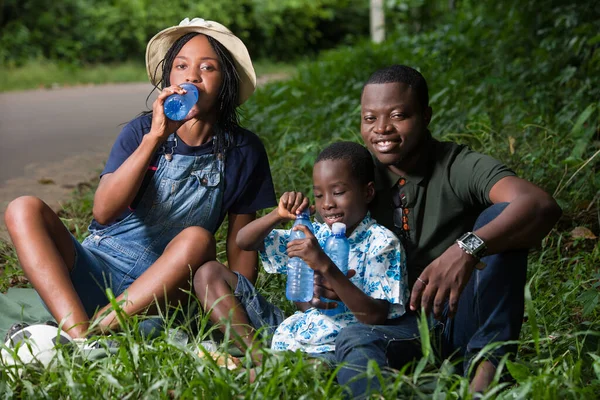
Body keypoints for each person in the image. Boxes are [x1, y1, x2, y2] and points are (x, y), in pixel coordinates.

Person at [3, 18, 276, 340]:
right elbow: (104, 212)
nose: (192, 75)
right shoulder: (141, 132)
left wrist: (235, 299)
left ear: (226, 81)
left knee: (198, 239)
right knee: (23, 207)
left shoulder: (244, 150)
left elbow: (241, 244)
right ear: (168, 78)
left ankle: (92, 331)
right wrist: (155, 138)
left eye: (208, 68)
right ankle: (78, 335)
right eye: (181, 66)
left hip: (162, 294)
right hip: (97, 269)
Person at [331, 65, 562, 397]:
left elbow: (539, 204)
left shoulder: (456, 165)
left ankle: (484, 381)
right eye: (370, 118)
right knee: (354, 340)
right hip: (397, 325)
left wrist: (466, 248)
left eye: (398, 115)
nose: (382, 129)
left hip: (458, 317)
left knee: (501, 220)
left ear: (426, 116)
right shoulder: (358, 175)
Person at [193, 141, 409, 360]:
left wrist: (323, 264)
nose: (327, 204)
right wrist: (278, 215)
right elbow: (244, 240)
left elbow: (375, 316)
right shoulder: (316, 233)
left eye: (338, 192)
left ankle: (275, 369)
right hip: (292, 332)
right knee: (208, 273)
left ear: (368, 192)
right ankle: (256, 355)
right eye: (319, 195)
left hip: (336, 347)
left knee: (316, 370)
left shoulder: (381, 242)